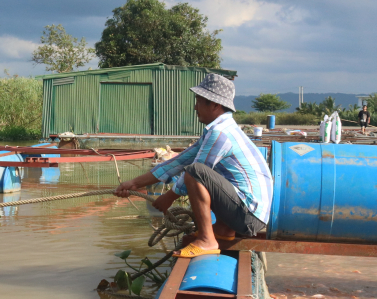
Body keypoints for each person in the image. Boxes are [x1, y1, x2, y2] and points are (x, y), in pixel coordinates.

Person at [114, 74, 273, 258]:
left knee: (196, 172)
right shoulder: (219, 130)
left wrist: (169, 196)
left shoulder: (220, 133)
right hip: (251, 214)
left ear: (215, 104)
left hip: (249, 217)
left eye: (199, 101)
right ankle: (223, 230)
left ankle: (207, 240)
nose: (195, 107)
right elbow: (178, 161)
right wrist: (134, 183)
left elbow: (196, 170)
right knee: (201, 172)